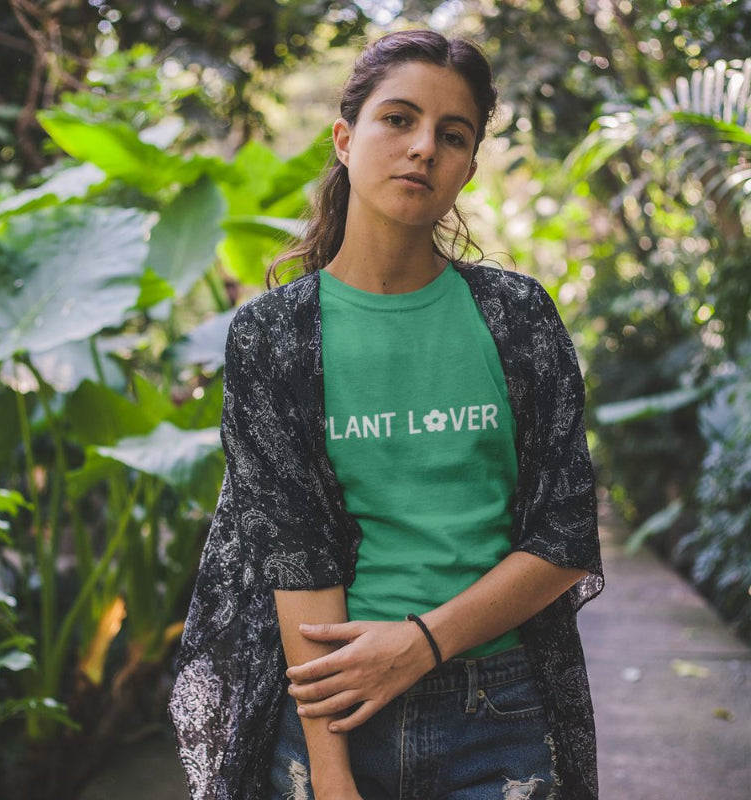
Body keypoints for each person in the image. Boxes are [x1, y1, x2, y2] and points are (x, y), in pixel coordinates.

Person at [169, 29, 603, 800]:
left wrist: (420, 644)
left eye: (453, 134)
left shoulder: (517, 317)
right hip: (333, 715)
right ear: (344, 137)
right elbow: (294, 555)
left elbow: (565, 535)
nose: (423, 148)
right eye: (397, 119)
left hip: (498, 710)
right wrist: (330, 778)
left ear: (469, 165)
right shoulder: (273, 337)